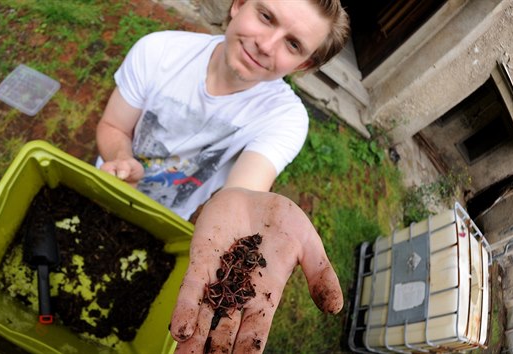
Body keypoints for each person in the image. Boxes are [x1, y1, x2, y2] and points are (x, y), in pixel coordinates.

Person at [95, 0, 350, 351]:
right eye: (266, 16)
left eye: (293, 44)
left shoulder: (285, 118)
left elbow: (244, 190)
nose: (266, 44)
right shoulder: (159, 52)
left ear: (303, 63)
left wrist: (242, 203)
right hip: (104, 191)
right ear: (238, 5)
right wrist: (121, 158)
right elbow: (112, 126)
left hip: (171, 227)